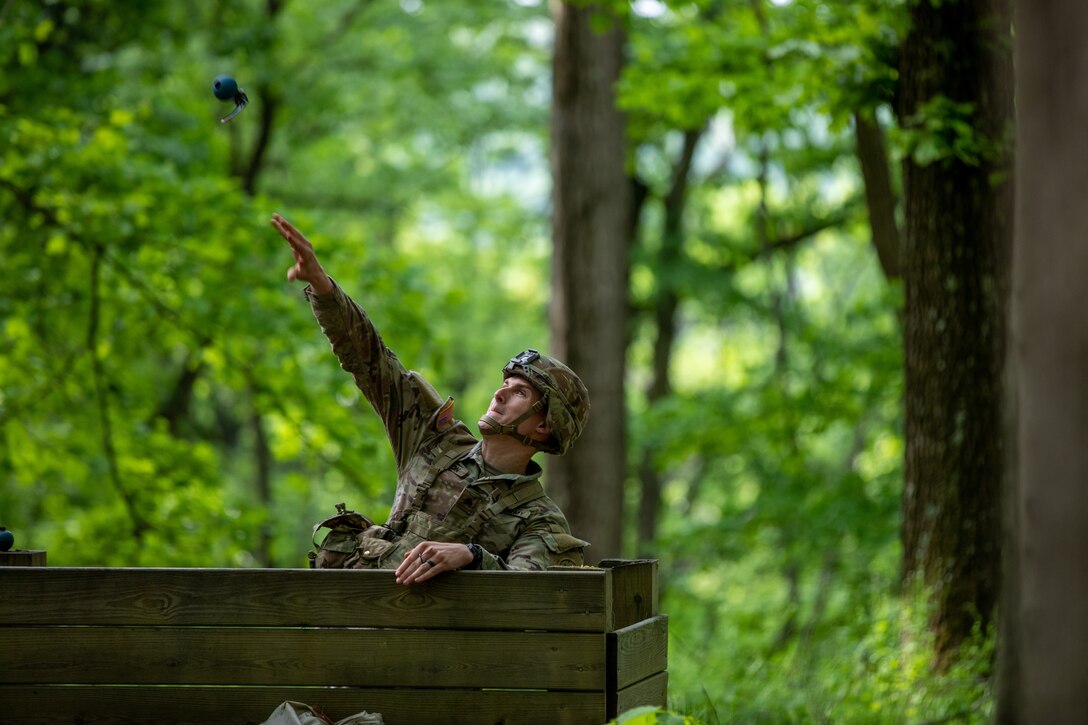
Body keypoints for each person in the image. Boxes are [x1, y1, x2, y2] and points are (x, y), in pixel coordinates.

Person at [271, 213, 591, 585]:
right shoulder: (433, 442)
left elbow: (531, 597)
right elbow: (372, 363)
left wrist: (472, 557)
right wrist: (323, 288)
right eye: (505, 383)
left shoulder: (539, 519)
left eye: (520, 392)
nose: (500, 392)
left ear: (544, 424)